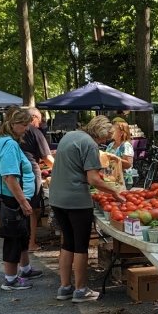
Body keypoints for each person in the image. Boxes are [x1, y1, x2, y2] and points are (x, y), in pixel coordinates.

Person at [48, 115, 124, 303]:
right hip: (76, 200)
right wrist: (115, 191)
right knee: (80, 246)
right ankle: (81, 290)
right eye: (106, 137)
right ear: (100, 133)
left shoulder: (70, 136)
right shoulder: (90, 145)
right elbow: (93, 179)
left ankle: (64, 287)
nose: (106, 141)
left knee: (67, 244)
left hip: (57, 197)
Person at [0, 107, 44, 291]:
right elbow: (9, 177)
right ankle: (10, 279)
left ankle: (24, 269)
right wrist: (24, 202)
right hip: (6, 197)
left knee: (22, 232)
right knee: (13, 236)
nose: (27, 129)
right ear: (15, 124)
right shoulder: (9, 144)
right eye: (25, 125)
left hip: (1, 195)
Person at [18, 106, 55, 252]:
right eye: (39, 120)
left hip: (16, 171)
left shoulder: (14, 132)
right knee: (34, 209)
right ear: (33, 118)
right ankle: (31, 243)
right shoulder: (35, 132)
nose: (40, 124)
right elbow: (47, 158)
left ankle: (23, 240)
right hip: (31, 172)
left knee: (21, 205)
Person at [105, 120, 135, 187]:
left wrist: (115, 158)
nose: (110, 132)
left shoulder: (126, 145)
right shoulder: (110, 145)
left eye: (113, 130)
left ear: (121, 133)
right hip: (111, 179)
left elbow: (128, 164)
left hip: (123, 180)